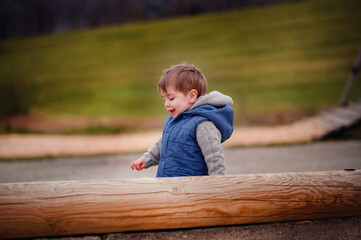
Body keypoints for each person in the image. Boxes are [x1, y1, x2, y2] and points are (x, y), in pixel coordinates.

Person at [130, 63, 234, 177]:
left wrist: (218, 183)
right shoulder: (173, 120)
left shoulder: (203, 124)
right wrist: (147, 159)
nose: (166, 104)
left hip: (193, 188)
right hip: (169, 186)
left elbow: (214, 157)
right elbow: (164, 142)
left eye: (171, 98)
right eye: (164, 99)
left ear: (192, 96)